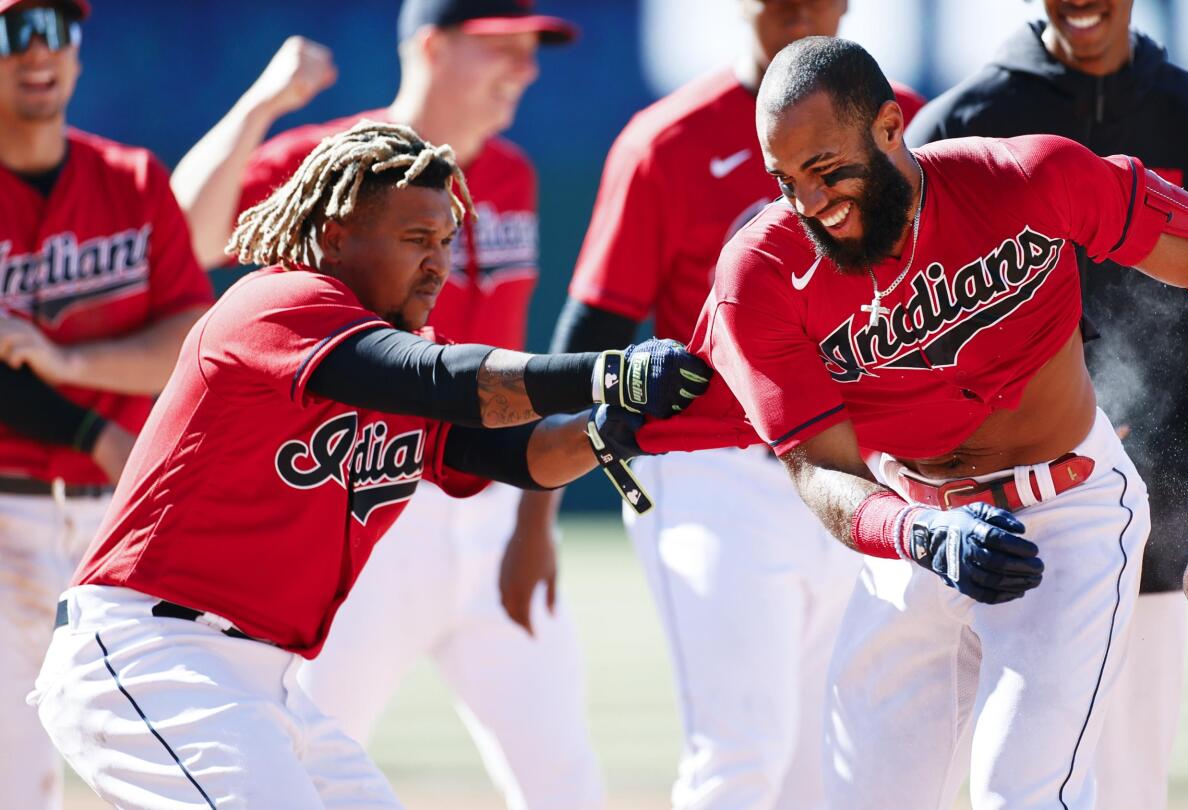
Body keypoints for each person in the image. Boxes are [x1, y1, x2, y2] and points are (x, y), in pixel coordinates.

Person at [634, 36, 1188, 810]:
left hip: (1072, 511)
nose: (809, 204)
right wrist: (916, 533)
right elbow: (820, 472)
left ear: (891, 127)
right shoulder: (761, 271)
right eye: (785, 182)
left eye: (826, 171)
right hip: (913, 521)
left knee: (1023, 791)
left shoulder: (1026, 177)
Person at [28, 120, 710, 809]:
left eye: (445, 242)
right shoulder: (277, 305)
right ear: (334, 236)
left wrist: (608, 431)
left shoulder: (398, 359)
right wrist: (608, 372)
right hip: (150, 653)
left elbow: (524, 455)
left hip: (265, 681)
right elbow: (448, 381)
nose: (439, 264)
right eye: (416, 240)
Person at [168, 2, 605, 806]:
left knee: (564, 779)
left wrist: (534, 522)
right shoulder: (340, 167)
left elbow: (507, 364)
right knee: (311, 759)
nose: (525, 68)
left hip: (493, 495)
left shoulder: (512, 171)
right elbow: (186, 232)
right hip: (368, 497)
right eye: (502, 46)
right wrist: (262, 105)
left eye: (531, 48)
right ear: (432, 46)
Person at [903, 1, 1188, 806]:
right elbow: (901, 325)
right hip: (993, 520)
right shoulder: (963, 120)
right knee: (962, 782)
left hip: (1152, 526)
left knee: (1130, 788)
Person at [537, 2, 922, 807]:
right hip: (714, 472)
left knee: (830, 753)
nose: (799, 8)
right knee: (743, 749)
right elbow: (590, 338)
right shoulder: (667, 141)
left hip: (859, 463)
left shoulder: (906, 123)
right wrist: (538, 509)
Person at [0, 1, 215, 807]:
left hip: (122, 533)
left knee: (164, 769)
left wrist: (69, 360)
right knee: (15, 783)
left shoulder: (130, 179)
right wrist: (92, 428)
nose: (38, 50)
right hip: (5, 517)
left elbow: (190, 337)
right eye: (12, 31)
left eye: (58, 30)